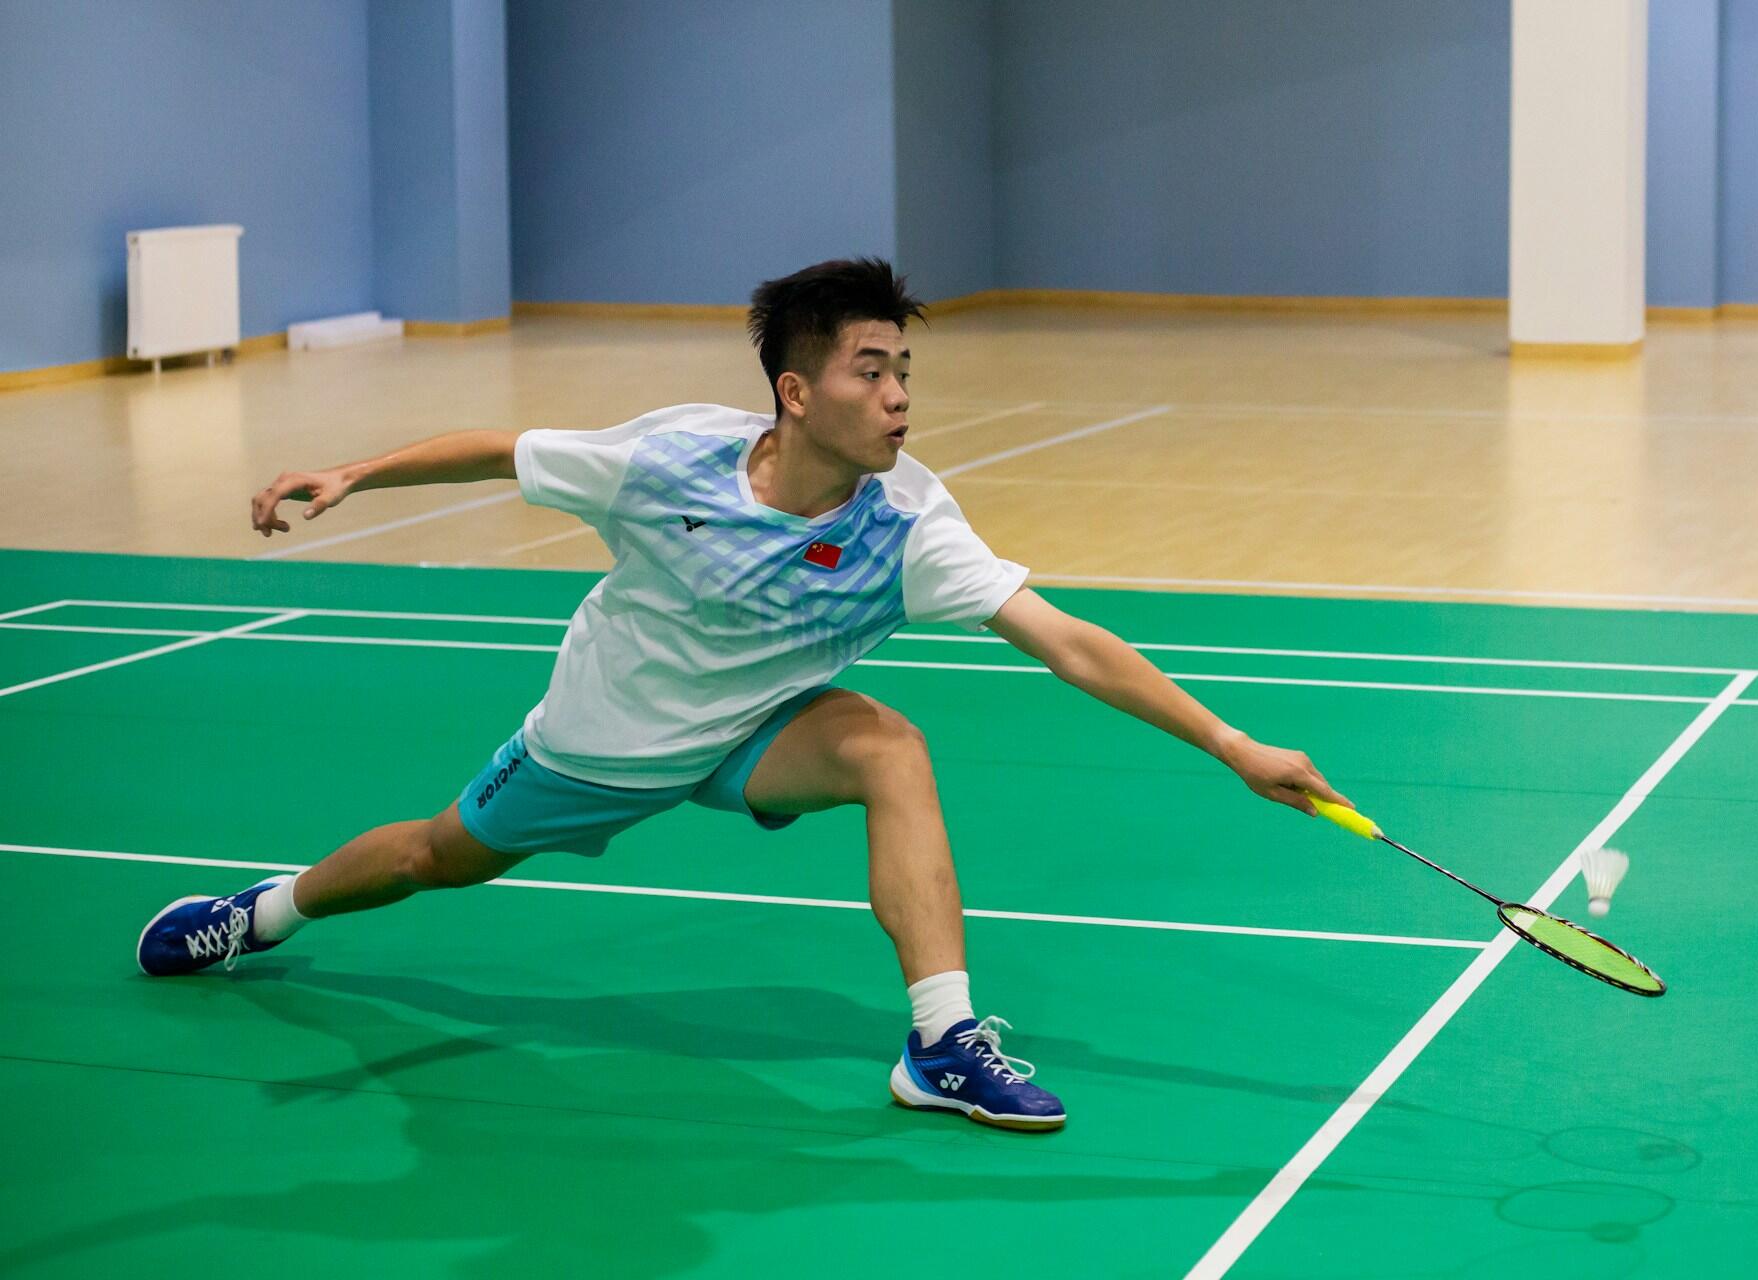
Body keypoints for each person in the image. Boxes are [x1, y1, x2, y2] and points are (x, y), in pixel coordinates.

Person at [136, 257, 1350, 1132]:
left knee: (892, 747)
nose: (898, 396)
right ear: (795, 390)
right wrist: (352, 472)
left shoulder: (909, 518)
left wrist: (1232, 742)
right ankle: (263, 913)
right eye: (870, 370)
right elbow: (507, 450)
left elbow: (1068, 642)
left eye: (904, 369)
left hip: (757, 730)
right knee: (430, 855)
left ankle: (941, 1040)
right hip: (603, 741)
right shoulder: (667, 460)